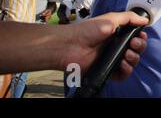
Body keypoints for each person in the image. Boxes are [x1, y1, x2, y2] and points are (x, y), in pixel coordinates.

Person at [0, 11, 149, 97]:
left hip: (84, 50)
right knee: (71, 84)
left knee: (77, 81)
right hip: (73, 46)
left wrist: (70, 43)